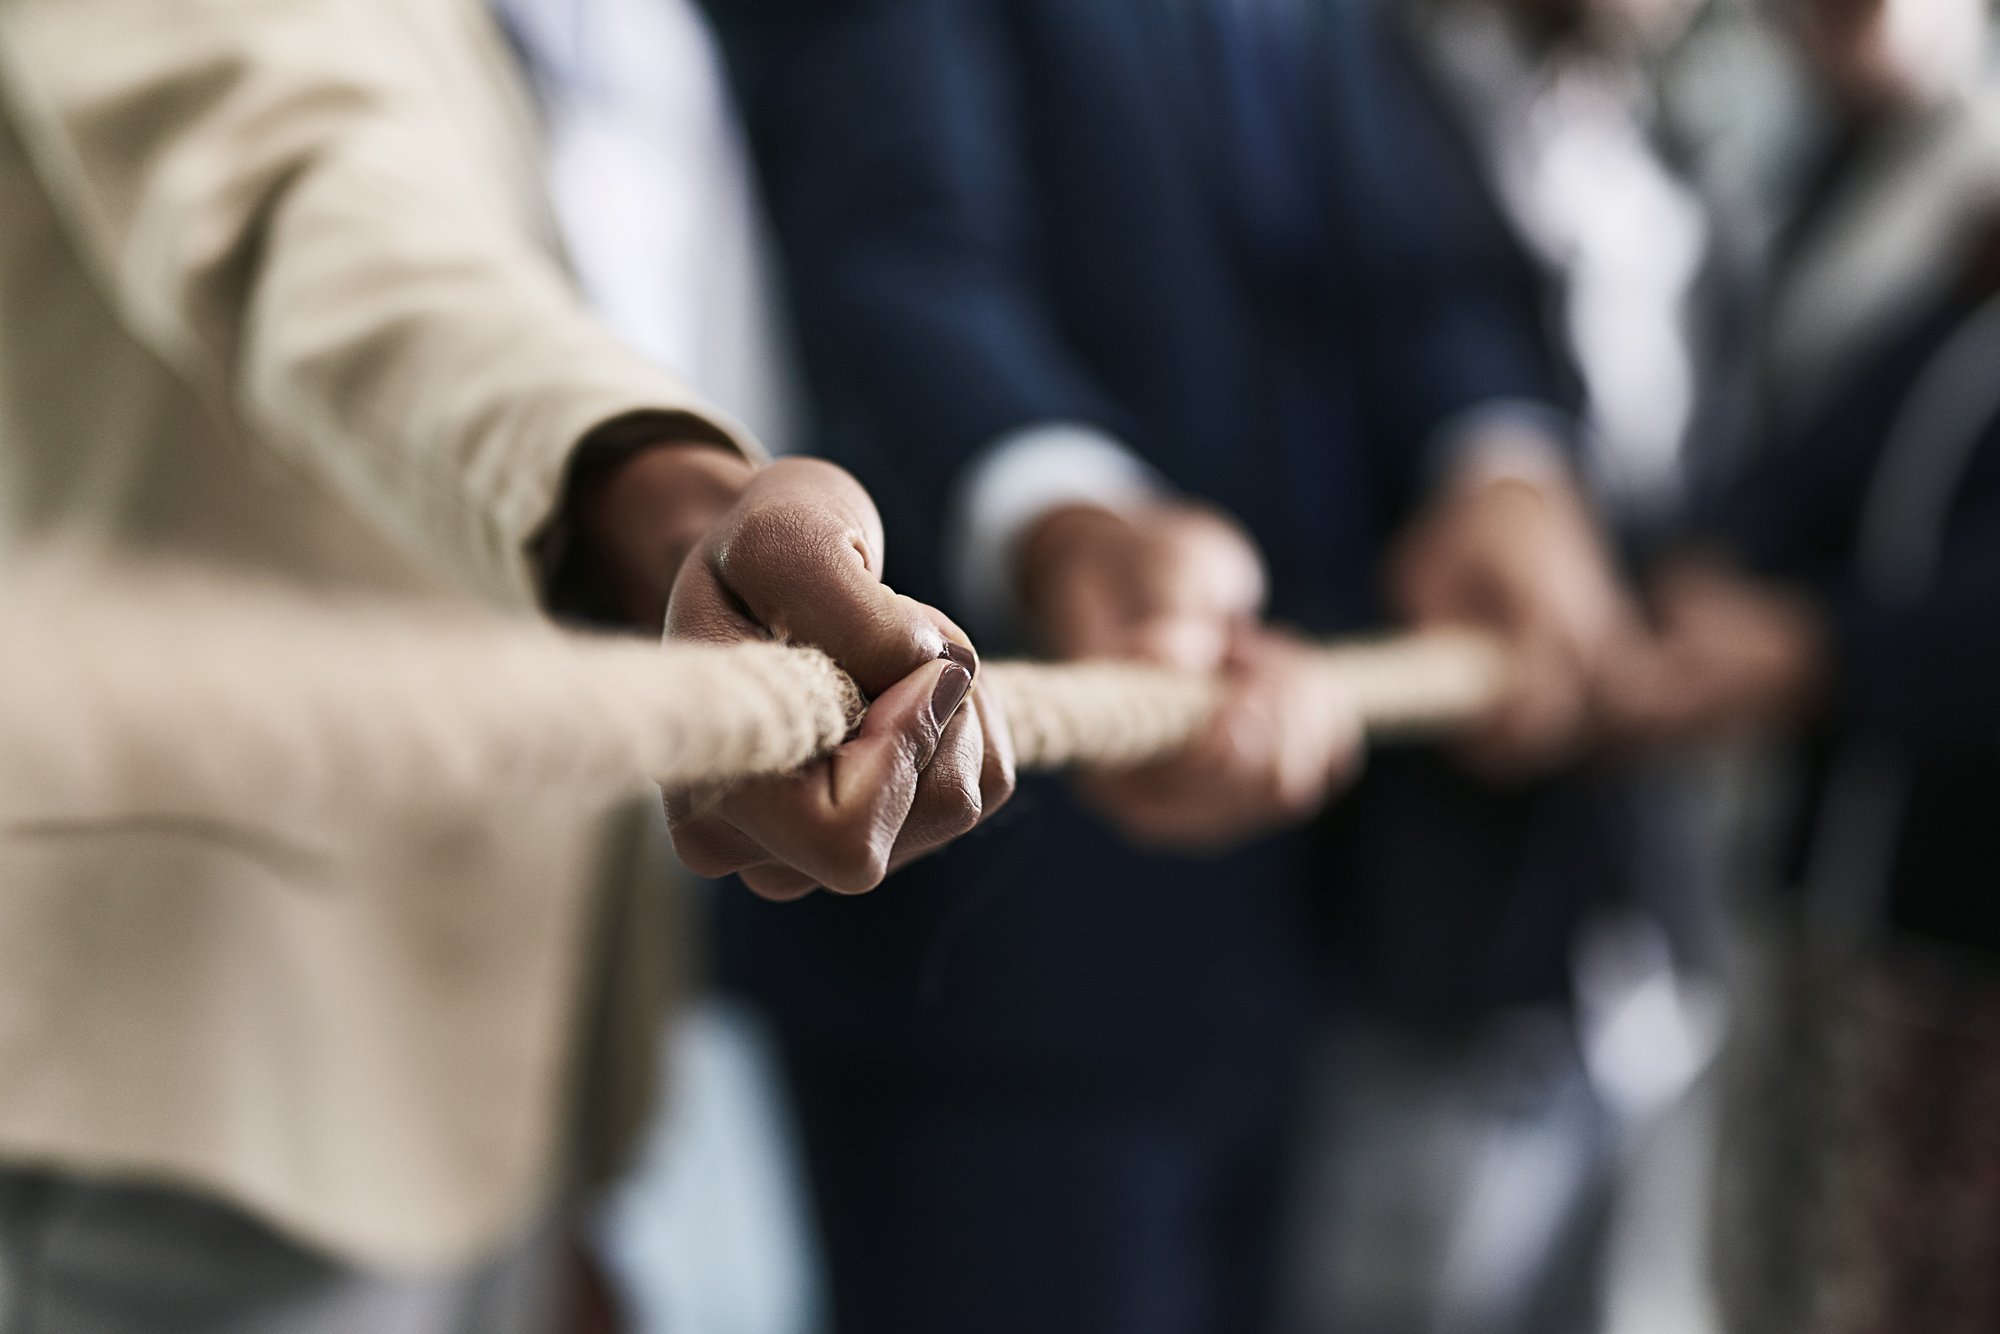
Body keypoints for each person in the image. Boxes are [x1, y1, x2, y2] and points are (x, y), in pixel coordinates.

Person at [0, 0, 1010, 1327]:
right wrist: (667, 498)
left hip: (498, 1079)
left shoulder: (644, 32)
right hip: (214, 1093)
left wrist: (563, 1181)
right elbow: (319, 210)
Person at [694, 0, 1632, 1330]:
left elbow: (1437, 268)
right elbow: (893, 247)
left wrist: (1502, 468)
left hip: (1303, 909)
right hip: (1000, 938)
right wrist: (1070, 516)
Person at [1601, 0, 2000, 1327]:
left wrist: (1817, 650)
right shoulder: (1970, 259)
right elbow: (1819, 453)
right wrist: (1715, 567)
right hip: (1845, 911)